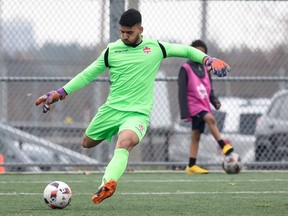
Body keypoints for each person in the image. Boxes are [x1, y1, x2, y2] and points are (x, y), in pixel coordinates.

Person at [35, 9, 231, 204]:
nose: (124, 36)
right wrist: (60, 93)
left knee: (124, 143)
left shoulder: (155, 47)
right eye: (122, 32)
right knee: (86, 142)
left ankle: (107, 183)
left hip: (137, 114)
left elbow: (186, 50)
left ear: (140, 29)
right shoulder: (112, 50)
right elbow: (87, 75)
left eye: (129, 32)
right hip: (111, 110)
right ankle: (110, 157)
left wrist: (208, 59)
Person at [178, 39, 233, 175]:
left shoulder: (205, 69)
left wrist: (214, 101)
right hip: (193, 105)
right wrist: (184, 112)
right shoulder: (185, 69)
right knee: (211, 119)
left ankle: (191, 165)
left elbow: (209, 88)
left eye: (202, 53)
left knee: (196, 135)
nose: (199, 55)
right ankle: (223, 145)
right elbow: (181, 91)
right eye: (196, 52)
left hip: (204, 104)